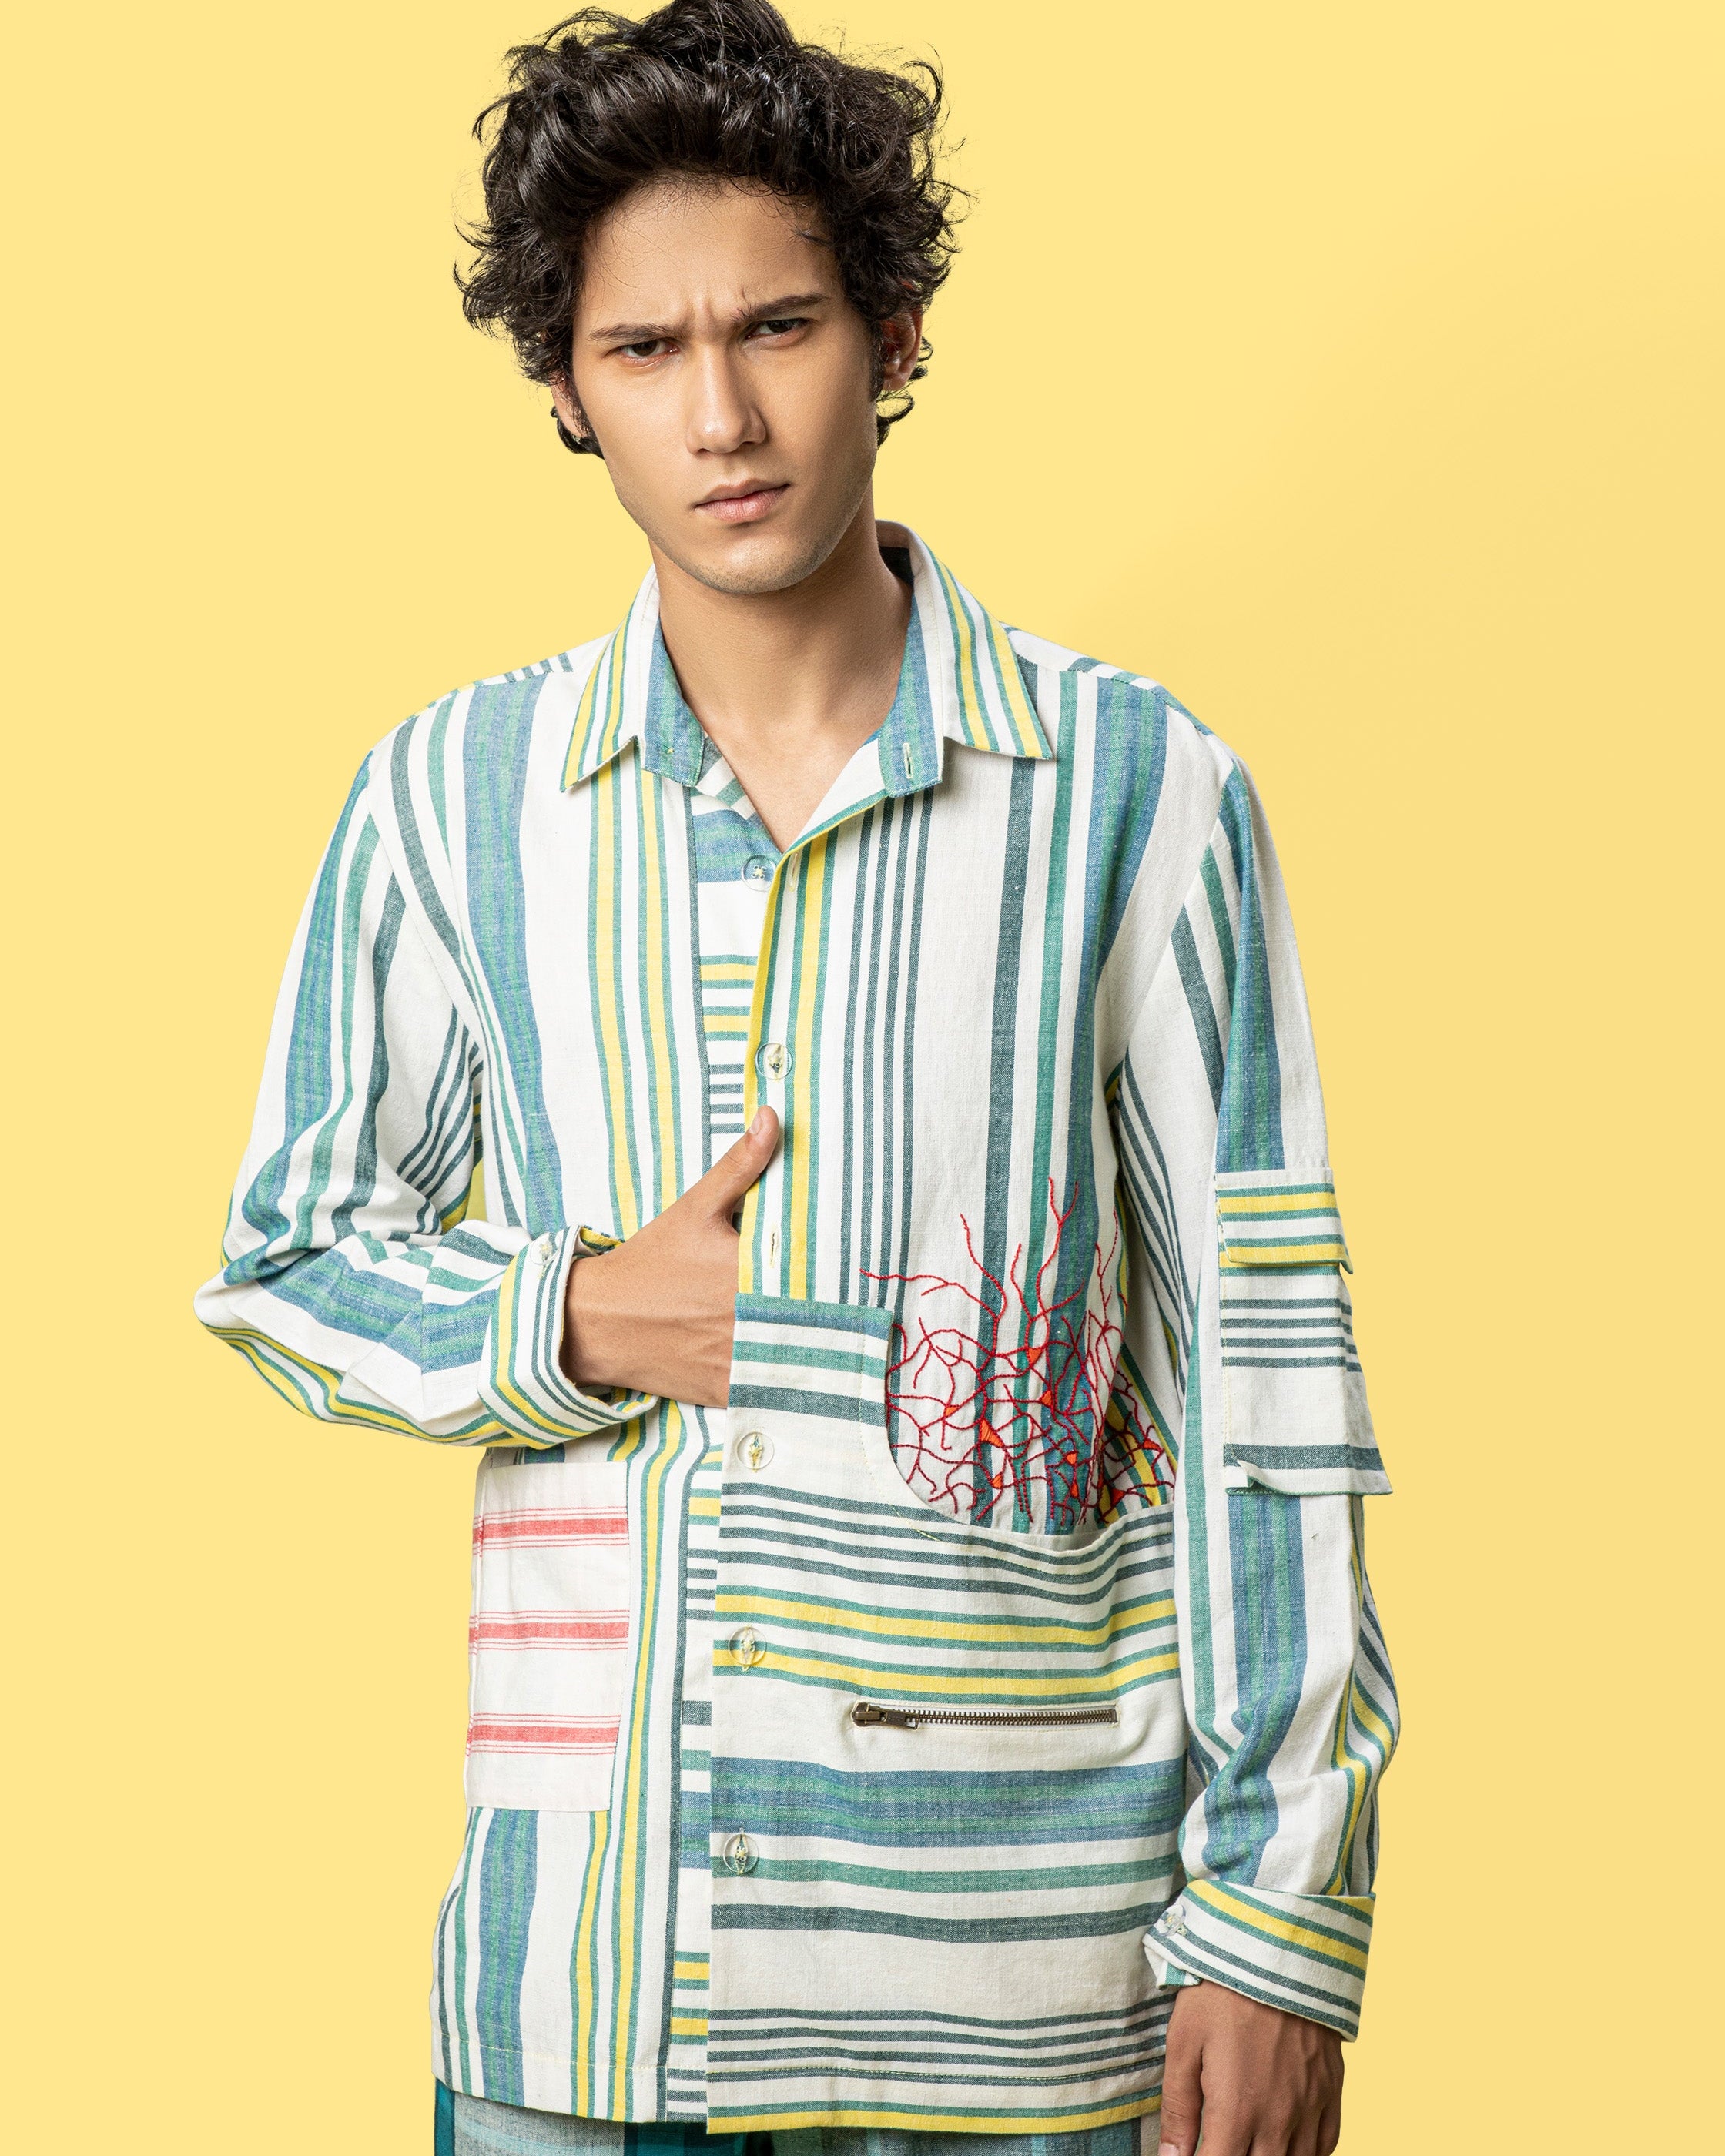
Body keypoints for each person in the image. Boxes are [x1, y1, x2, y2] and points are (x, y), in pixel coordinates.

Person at [194, 5, 1398, 2154]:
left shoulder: (1138, 791)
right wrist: (575, 1315)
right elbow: (285, 1260)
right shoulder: (453, 800)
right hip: (589, 2000)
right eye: (643, 350)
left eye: (779, 326)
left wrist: (1280, 1921)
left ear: (892, 333)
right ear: (567, 388)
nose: (722, 415)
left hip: (1030, 1999)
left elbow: (1263, 1370)